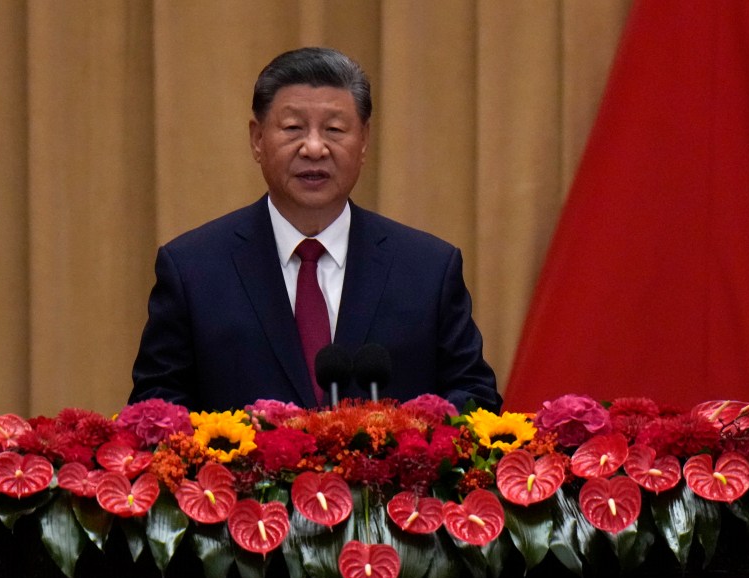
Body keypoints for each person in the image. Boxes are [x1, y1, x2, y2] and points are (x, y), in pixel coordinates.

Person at [128, 47, 501, 413]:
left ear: (364, 140)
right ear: (257, 139)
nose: (314, 148)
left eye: (334, 129)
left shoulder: (427, 269)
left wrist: (410, 437)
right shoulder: (193, 269)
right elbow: (154, 410)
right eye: (293, 128)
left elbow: (475, 398)